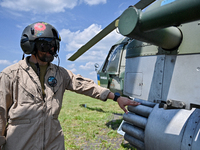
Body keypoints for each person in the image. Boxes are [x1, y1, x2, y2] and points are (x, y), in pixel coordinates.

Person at [0, 21, 140, 150]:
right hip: (20, 144)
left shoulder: (60, 74)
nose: (52, 49)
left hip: (53, 143)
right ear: (30, 45)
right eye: (46, 45)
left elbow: (85, 86)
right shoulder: (10, 75)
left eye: (54, 45)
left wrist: (116, 98)